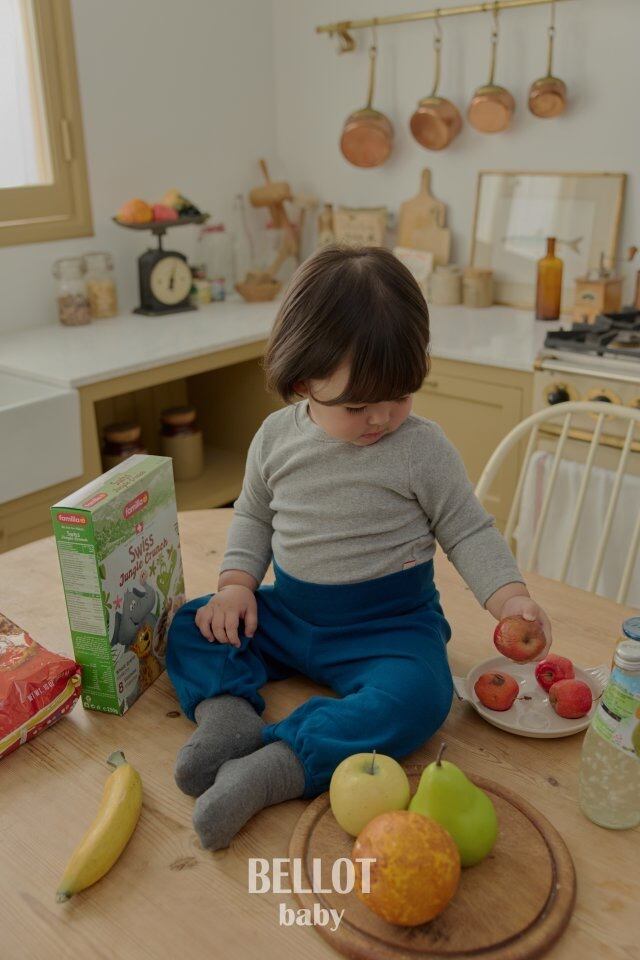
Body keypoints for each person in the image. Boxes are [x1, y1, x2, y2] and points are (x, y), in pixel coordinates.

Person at [166, 244, 552, 851]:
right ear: (302, 381)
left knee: (424, 698)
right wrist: (236, 586)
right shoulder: (274, 438)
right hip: (289, 616)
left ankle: (280, 763)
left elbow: (468, 529)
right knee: (192, 624)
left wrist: (510, 599)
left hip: (389, 629)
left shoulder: (422, 449)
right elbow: (253, 514)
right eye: (357, 406)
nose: (382, 419)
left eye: (400, 397)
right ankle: (227, 717)